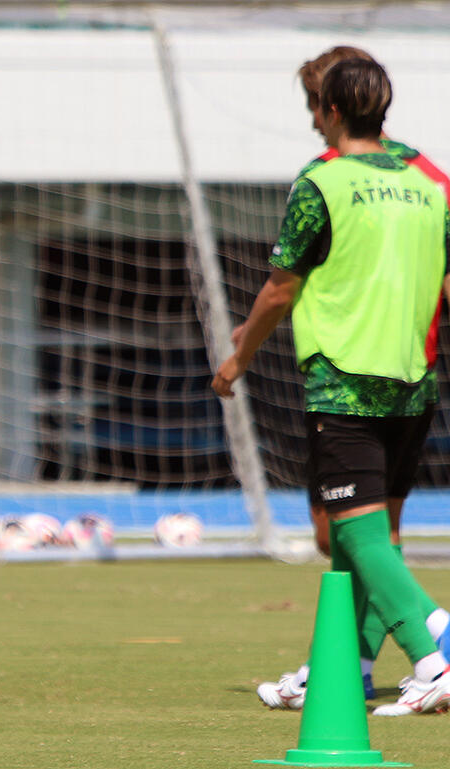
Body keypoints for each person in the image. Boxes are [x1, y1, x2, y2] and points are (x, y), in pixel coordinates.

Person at [214, 58, 450, 716]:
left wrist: (240, 356)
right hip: (414, 378)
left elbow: (280, 287)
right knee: (362, 535)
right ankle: (343, 668)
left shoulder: (322, 182)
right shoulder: (430, 182)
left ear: (332, 112)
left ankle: (437, 649)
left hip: (345, 381)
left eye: (315, 106)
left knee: (354, 533)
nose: (311, 117)